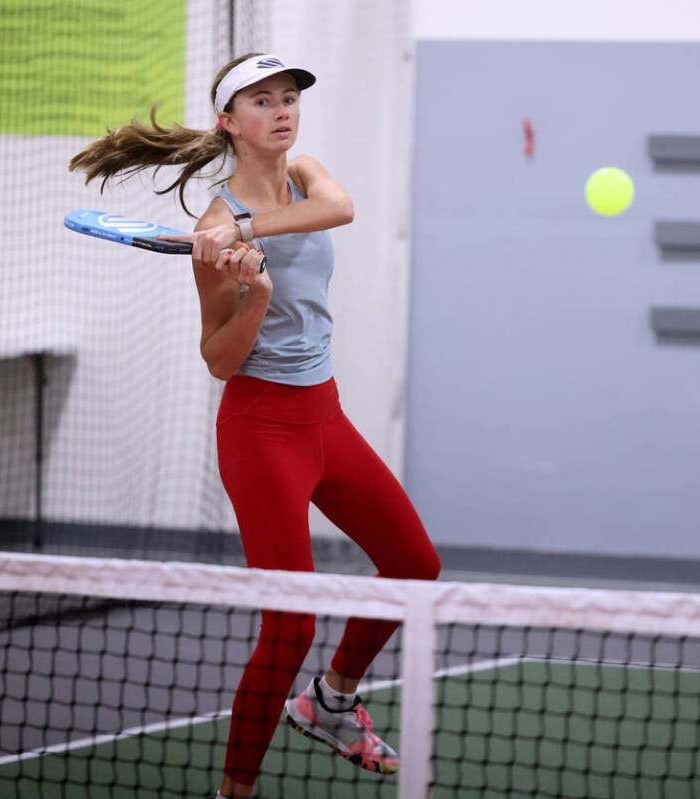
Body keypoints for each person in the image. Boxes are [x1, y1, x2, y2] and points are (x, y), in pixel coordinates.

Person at [69, 53, 440, 798]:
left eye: (288, 97)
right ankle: (233, 790)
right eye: (261, 101)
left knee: (414, 566)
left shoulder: (303, 175)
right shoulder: (210, 230)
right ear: (228, 122)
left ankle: (331, 702)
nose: (282, 110)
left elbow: (341, 209)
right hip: (261, 427)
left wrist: (245, 227)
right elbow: (217, 359)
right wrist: (254, 295)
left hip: (323, 415)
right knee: (290, 623)